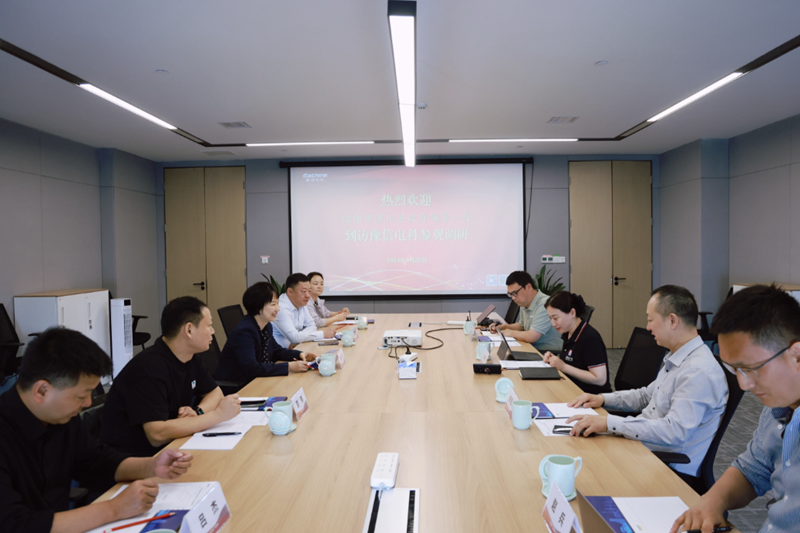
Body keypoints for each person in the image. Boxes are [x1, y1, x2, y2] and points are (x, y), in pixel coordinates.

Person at [0, 328, 194, 533]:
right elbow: (15, 525)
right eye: (81, 396)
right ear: (42, 390)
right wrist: (114, 508)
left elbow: (97, 462)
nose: (87, 403)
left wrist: (151, 466)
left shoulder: (61, 418)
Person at [671, 285, 800, 533]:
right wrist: (712, 501)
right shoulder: (779, 405)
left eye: (751, 368)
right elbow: (754, 468)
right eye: (734, 369)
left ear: (797, 355)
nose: (743, 384)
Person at [567, 285, 728, 480]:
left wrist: (610, 423)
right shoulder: (678, 357)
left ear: (672, 321)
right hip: (643, 446)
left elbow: (673, 432)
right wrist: (602, 399)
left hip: (667, 468)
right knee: (577, 451)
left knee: (584, 469)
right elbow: (646, 396)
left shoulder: (698, 372)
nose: (648, 327)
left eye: (651, 320)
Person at [101, 296, 241, 457]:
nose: (212, 331)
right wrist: (217, 415)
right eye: (209, 325)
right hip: (136, 459)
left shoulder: (190, 358)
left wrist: (198, 413)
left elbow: (215, 392)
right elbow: (156, 435)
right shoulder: (149, 368)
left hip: (171, 448)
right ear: (189, 330)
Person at [215, 282, 317, 382]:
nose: (278, 309)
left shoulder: (266, 325)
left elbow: (276, 351)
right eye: (273, 304)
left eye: (277, 304)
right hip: (238, 385)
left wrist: (300, 354)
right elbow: (252, 368)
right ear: (258, 306)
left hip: (258, 379)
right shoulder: (245, 332)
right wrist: (289, 366)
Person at [542, 291, 611, 394]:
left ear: (572, 313)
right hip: (572, 387)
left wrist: (563, 367)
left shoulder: (590, 338)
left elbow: (600, 379)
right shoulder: (568, 332)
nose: (553, 323)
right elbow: (575, 362)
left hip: (591, 396)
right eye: (550, 318)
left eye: (556, 318)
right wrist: (554, 359)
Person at [489, 271, 563, 353]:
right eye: (510, 294)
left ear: (528, 287)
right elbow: (522, 326)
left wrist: (510, 333)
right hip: (531, 348)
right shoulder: (524, 303)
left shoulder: (544, 304)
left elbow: (532, 336)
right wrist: (504, 327)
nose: (513, 298)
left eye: (515, 293)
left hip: (548, 353)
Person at [272, 273, 336, 348]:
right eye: (304, 291)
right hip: (279, 352)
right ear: (290, 292)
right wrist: (322, 334)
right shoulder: (281, 307)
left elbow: (312, 325)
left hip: (296, 347)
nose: (308, 295)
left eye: (309, 291)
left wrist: (300, 337)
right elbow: (295, 338)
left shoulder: (301, 302)